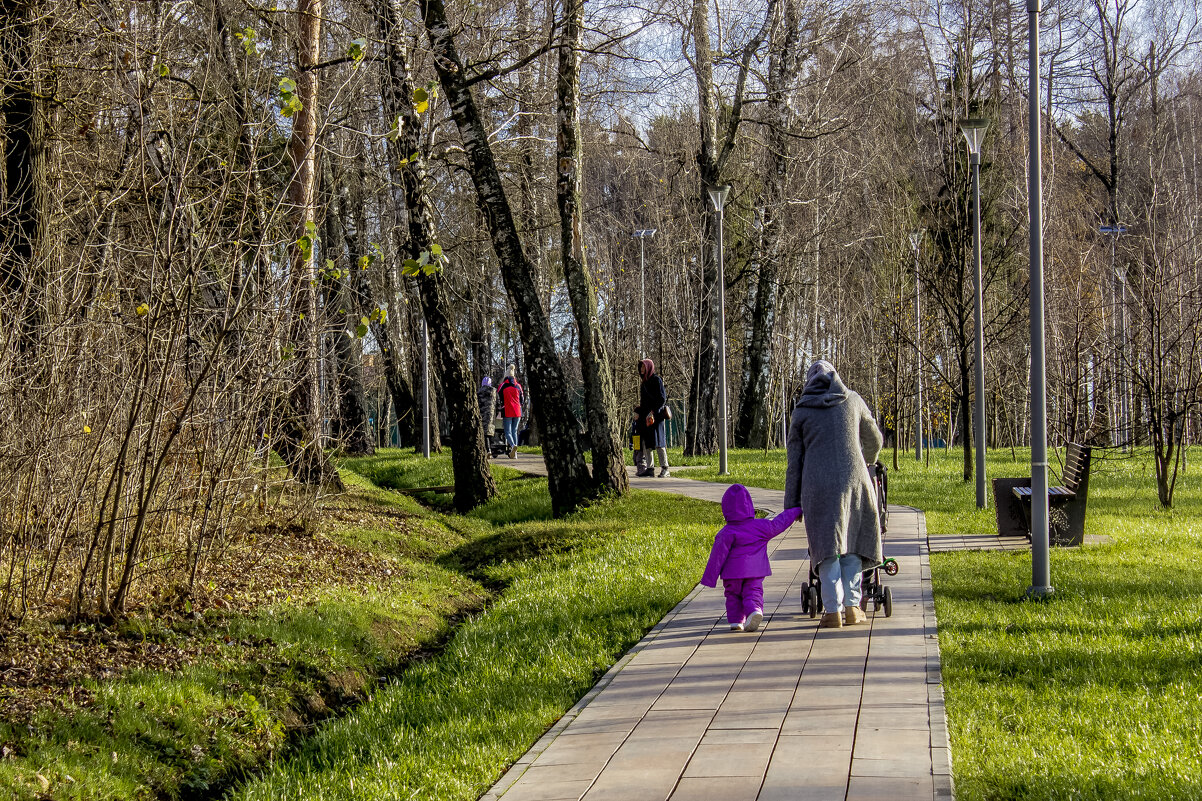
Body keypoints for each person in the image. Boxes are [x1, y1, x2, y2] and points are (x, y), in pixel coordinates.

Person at [784, 360, 883, 629]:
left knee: (826, 549)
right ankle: (852, 607)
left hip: (817, 486)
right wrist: (867, 461)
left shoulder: (802, 411)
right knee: (850, 543)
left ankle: (832, 611)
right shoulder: (853, 400)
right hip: (855, 481)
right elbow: (874, 438)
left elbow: (794, 462)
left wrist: (791, 504)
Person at [700, 484, 801, 632]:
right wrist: (795, 510)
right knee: (753, 591)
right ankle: (754, 610)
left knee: (732, 595)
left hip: (732, 574)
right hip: (755, 570)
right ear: (749, 505)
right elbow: (779, 523)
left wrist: (710, 578)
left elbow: (717, 557)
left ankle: (735, 622)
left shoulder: (725, 532)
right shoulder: (760, 526)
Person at [634, 358, 670, 477]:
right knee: (647, 443)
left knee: (659, 442)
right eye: (641, 367)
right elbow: (643, 402)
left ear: (649, 367)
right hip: (646, 418)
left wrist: (653, 412)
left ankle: (665, 468)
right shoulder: (644, 382)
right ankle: (650, 468)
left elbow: (662, 398)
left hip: (657, 417)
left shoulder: (656, 380)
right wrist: (638, 411)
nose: (642, 369)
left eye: (644, 367)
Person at [498, 365, 524, 459]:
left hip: (507, 410)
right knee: (514, 431)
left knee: (507, 431)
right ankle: (515, 454)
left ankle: (513, 446)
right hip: (517, 411)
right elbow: (522, 400)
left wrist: (500, 407)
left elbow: (498, 398)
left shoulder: (502, 386)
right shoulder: (518, 386)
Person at [477, 376, 497, 454]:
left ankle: (488, 449)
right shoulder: (494, 391)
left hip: (482, 414)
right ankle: (491, 449)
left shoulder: (479, 392)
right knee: (490, 432)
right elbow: (498, 403)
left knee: (484, 433)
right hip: (491, 414)